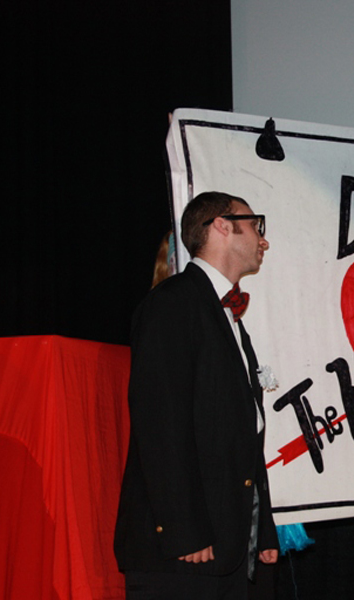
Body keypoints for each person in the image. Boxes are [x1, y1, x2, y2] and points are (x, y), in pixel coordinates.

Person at [114, 191, 278, 599]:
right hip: (183, 552)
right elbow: (160, 425)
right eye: (255, 225)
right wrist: (184, 529)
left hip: (227, 545)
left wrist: (262, 528)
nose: (263, 239)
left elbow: (244, 431)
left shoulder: (224, 314)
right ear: (221, 226)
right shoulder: (172, 304)